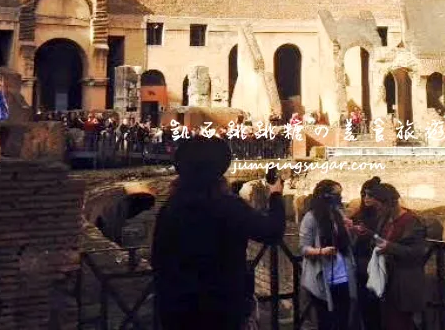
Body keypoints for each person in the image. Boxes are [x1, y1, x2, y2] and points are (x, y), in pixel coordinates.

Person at [151, 136, 286, 329]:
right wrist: (275, 194)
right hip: (221, 310)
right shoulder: (227, 207)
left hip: (177, 311)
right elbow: (272, 231)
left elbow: (158, 260)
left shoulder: (171, 209)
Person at [299, 180, 357, 330]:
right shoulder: (310, 218)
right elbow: (304, 249)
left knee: (343, 320)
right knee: (325, 321)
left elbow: (347, 244)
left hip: (343, 275)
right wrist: (321, 251)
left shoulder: (338, 214)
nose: (340, 198)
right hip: (323, 278)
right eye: (336, 194)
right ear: (325, 196)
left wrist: (350, 229)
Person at [372, 182, 427, 330]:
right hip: (389, 283)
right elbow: (382, 240)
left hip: (404, 285)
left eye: (379, 206)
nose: (378, 210)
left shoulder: (412, 221)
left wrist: (390, 247)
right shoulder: (385, 219)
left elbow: (416, 253)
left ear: (390, 204)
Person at [351, 176, 384, 330]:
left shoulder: (383, 216)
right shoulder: (358, 215)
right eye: (363, 194)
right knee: (364, 306)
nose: (366, 198)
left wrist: (369, 233)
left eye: (370, 195)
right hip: (360, 265)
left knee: (376, 308)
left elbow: (384, 240)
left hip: (377, 266)